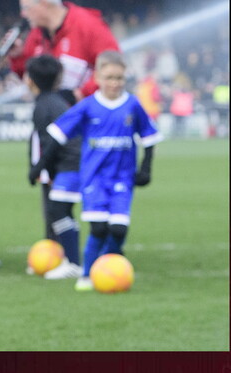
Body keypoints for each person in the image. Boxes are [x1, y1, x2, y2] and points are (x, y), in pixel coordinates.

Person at [28, 50, 162, 291]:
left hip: (122, 178)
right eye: (109, 77)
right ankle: (88, 274)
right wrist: (41, 166)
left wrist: (146, 168)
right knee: (98, 228)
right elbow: (57, 136)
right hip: (94, 178)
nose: (114, 83)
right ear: (98, 78)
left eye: (119, 78)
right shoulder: (88, 106)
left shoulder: (132, 104)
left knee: (119, 229)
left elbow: (150, 137)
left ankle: (109, 266)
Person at [4, 0, 121, 103]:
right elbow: (31, 80)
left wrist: (80, 94)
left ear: (44, 3)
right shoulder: (36, 34)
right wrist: (18, 56)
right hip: (56, 116)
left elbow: (113, 63)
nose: (23, 14)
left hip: (88, 116)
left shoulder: (88, 25)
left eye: (26, 7)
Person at [24, 54, 83, 279]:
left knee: (56, 211)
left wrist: (38, 169)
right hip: (74, 162)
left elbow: (47, 143)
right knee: (61, 210)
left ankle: (71, 262)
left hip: (67, 164)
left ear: (30, 79)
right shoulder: (57, 102)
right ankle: (68, 258)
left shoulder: (43, 105)